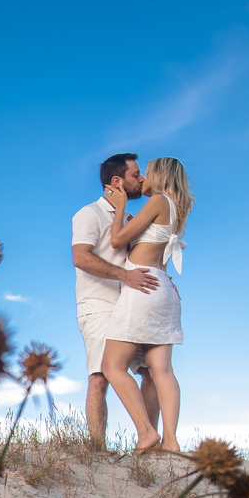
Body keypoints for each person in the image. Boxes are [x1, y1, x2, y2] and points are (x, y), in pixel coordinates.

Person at [101, 157, 192, 452]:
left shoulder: (157, 201)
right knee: (161, 370)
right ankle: (172, 442)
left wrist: (120, 207)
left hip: (142, 287)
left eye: (146, 172)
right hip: (162, 287)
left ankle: (146, 433)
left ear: (160, 175)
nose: (142, 178)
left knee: (112, 366)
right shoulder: (176, 207)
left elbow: (117, 240)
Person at [71, 153, 160, 450]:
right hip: (98, 306)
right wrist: (124, 275)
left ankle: (149, 444)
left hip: (132, 306)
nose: (142, 180)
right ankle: (97, 453)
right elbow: (80, 257)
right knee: (99, 377)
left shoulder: (131, 221)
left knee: (151, 371)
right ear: (117, 181)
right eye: (137, 174)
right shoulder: (89, 214)